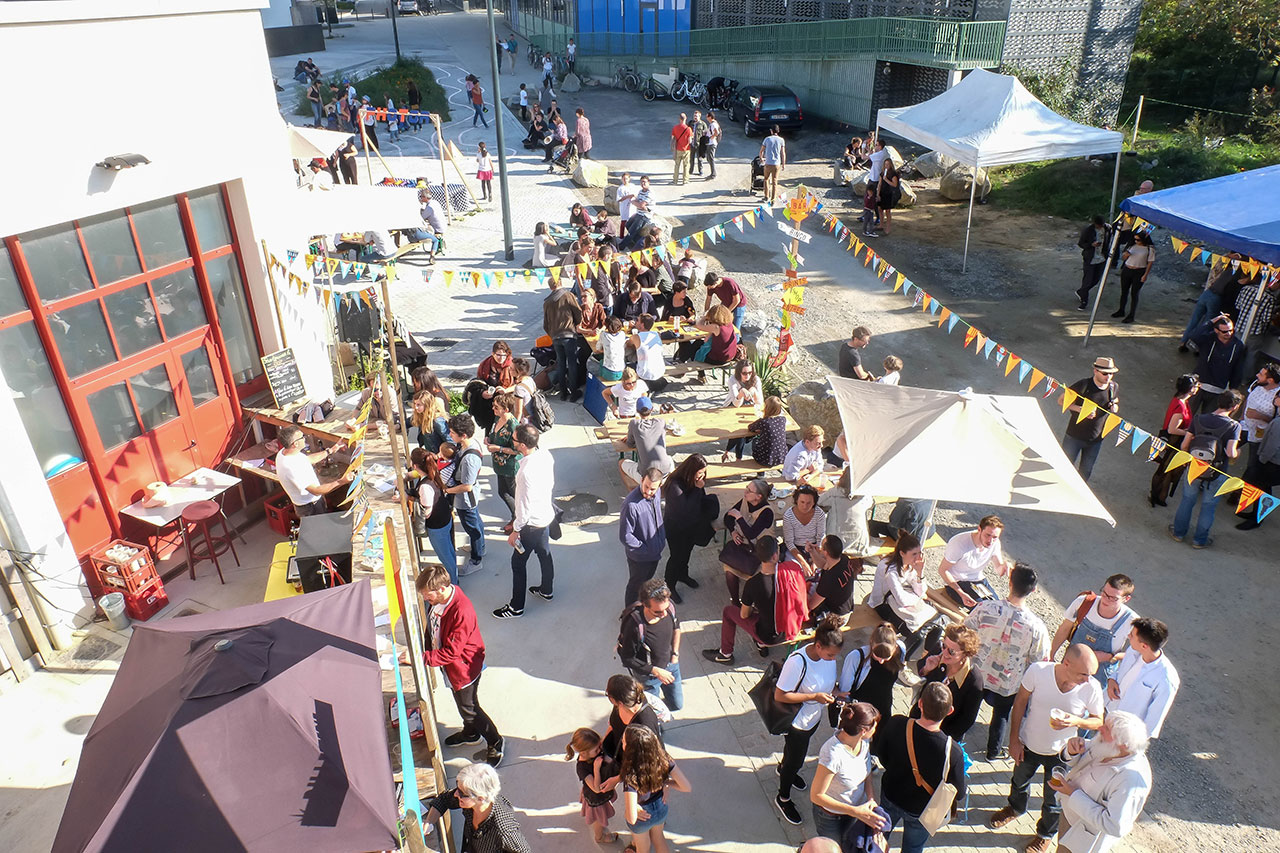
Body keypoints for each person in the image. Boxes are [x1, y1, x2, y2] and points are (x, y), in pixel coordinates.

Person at [988, 646, 1106, 853]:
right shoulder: (1038, 671)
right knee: (1019, 782)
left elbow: (1098, 721)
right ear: (1066, 663)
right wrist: (1014, 739)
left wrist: (1076, 721)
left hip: (1062, 755)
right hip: (1029, 744)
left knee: (1054, 798)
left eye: (1090, 675)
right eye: (1083, 674)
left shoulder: (1091, 688)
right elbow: (1020, 701)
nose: (1088, 680)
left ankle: (1045, 834)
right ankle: (1015, 808)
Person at [415, 567, 506, 766]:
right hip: (452, 667)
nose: (426, 600)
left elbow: (452, 652)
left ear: (441, 589)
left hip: (464, 668)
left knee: (470, 708)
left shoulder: (461, 611)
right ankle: (471, 733)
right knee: (463, 704)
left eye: (428, 596)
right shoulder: (439, 601)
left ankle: (495, 740)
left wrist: (422, 657)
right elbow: (433, 628)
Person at [965, 563, 1051, 759]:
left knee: (970, 705)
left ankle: (958, 736)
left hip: (978, 672)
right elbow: (1040, 660)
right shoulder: (1036, 627)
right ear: (1033, 590)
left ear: (1010, 582)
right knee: (1001, 715)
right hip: (1008, 682)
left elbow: (967, 630)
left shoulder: (985, 608)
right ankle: (993, 752)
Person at [872, 683, 967, 853]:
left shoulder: (896, 723)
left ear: (920, 703)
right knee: (913, 848)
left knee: (878, 838)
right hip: (922, 810)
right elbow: (959, 793)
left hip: (891, 795)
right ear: (950, 711)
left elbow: (881, 754)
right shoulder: (952, 751)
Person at [771, 616, 845, 825]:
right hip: (798, 723)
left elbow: (827, 682)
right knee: (796, 760)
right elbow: (780, 695)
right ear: (818, 645)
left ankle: (784, 768)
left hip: (813, 718)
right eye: (830, 655)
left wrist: (837, 692)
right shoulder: (797, 662)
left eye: (835, 655)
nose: (833, 659)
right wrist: (814, 697)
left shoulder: (827, 658)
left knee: (792, 756)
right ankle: (783, 797)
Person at [1049, 712, 1153, 853]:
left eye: (1107, 729)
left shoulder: (1130, 781)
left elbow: (1115, 826)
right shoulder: (1109, 744)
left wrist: (1073, 794)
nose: (1100, 729)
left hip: (1080, 835)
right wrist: (1071, 751)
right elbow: (1080, 756)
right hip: (1068, 814)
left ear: (1123, 744)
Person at [493, 426, 556, 619]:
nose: (511, 441)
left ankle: (516, 607)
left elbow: (523, 506)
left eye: (513, 439)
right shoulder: (546, 455)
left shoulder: (524, 472)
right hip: (545, 517)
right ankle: (546, 590)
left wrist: (516, 530)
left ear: (521, 445)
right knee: (544, 553)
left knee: (518, 563)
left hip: (531, 525)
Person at [1170, 389, 1242, 547]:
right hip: (1217, 471)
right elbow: (1231, 453)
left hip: (1194, 467)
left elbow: (1184, 445)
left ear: (1218, 402)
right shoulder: (1234, 426)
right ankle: (1199, 540)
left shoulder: (1199, 419)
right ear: (1235, 407)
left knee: (1187, 500)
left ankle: (1178, 533)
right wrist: (1238, 452)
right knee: (1209, 506)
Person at [809, 701, 887, 847]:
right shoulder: (832, 754)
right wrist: (855, 811)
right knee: (832, 847)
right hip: (830, 817)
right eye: (874, 727)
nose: (876, 730)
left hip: (855, 811)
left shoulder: (864, 743)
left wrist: (870, 799)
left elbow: (866, 773)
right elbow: (816, 795)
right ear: (863, 730)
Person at [702, 536, 783, 664]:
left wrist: (752, 609)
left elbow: (744, 615)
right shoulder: (790, 575)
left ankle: (725, 654)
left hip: (769, 636)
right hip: (790, 629)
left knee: (729, 612)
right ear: (775, 556)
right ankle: (760, 645)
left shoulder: (753, 583)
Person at [1051, 574, 1137, 690]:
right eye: (1104, 593)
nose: (1105, 599)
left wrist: (1111, 657)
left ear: (1126, 599)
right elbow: (1064, 629)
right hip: (1072, 667)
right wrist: (1051, 655)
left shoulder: (1131, 621)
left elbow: (1139, 653)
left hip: (1100, 676)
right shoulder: (1084, 603)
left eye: (1113, 598)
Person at [868, 532, 943, 660]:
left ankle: (926, 655)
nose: (918, 557)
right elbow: (902, 599)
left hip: (904, 599)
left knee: (937, 626)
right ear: (902, 553)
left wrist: (920, 572)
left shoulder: (910, 566)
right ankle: (901, 660)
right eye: (914, 554)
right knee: (917, 634)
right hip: (883, 604)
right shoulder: (890, 570)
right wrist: (917, 597)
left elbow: (921, 591)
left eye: (919, 553)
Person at [619, 724, 692, 853]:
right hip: (661, 809)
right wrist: (666, 782)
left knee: (643, 848)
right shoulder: (664, 759)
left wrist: (630, 810)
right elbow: (686, 787)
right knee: (659, 839)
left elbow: (631, 818)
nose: (622, 743)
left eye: (624, 741)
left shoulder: (631, 775)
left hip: (642, 817)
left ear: (630, 750)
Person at [423, 763, 527, 849]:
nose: (455, 794)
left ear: (480, 798)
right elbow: (443, 799)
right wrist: (429, 822)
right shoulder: (468, 800)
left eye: (461, 793)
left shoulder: (504, 830)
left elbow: (523, 850)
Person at [1106, 617, 1179, 740]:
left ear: (1144, 646)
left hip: (1124, 732)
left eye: (1132, 635)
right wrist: (1112, 679)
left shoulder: (1166, 678)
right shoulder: (1133, 650)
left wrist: (1134, 743)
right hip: (1108, 710)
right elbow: (1121, 670)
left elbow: (1155, 717)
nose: (1128, 636)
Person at [619, 578, 683, 714]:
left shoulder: (669, 608)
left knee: (677, 705)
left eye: (665, 608)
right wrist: (656, 671)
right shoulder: (635, 626)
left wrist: (675, 655)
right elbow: (627, 658)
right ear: (644, 605)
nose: (664, 614)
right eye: (658, 612)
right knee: (653, 712)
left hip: (671, 666)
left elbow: (676, 628)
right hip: (648, 678)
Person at [911, 625, 983, 742]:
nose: (945, 652)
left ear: (965, 654)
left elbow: (966, 720)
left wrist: (938, 737)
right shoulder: (938, 651)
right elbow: (921, 669)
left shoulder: (974, 681)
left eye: (951, 651)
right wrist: (927, 669)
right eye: (944, 646)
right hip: (917, 719)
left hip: (941, 735)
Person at [659, 454, 717, 600]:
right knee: (676, 557)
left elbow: (700, 500)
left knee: (686, 553)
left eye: (704, 472)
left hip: (690, 526)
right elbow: (684, 509)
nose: (702, 475)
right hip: (676, 528)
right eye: (700, 472)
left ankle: (683, 575)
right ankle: (669, 585)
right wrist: (697, 489)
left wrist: (699, 489)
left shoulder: (694, 481)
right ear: (691, 470)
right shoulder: (675, 485)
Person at [1061, 356, 1120, 483]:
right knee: (1063, 467)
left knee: (1086, 472)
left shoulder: (1113, 387)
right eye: (1105, 373)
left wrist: (1114, 406)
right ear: (1095, 371)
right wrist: (1080, 409)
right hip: (1074, 436)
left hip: (1096, 439)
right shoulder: (1084, 385)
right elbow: (1061, 400)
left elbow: (1115, 400)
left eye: (1111, 374)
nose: (1108, 377)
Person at [837, 622, 908, 727]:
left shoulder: (901, 650)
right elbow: (845, 689)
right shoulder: (856, 657)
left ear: (895, 647)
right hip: (862, 710)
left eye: (886, 657)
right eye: (877, 655)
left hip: (884, 706)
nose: (881, 661)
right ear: (871, 643)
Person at [719, 478, 776, 605]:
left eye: (749, 491)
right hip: (744, 545)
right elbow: (727, 517)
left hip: (762, 550)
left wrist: (739, 517)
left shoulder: (766, 512)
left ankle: (751, 604)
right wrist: (733, 531)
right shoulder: (745, 500)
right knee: (729, 571)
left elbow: (751, 534)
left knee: (757, 579)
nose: (745, 492)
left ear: (758, 497)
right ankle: (735, 602)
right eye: (747, 488)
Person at [274, 426, 352, 516]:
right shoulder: (292, 468)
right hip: (310, 508)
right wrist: (342, 481)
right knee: (319, 525)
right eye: (302, 437)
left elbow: (307, 459)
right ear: (295, 444)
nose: (304, 438)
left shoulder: (284, 453)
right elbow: (316, 490)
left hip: (313, 503)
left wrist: (330, 450)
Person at [444, 414, 487, 573]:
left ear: (463, 435)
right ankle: (480, 547)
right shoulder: (470, 444)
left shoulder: (469, 458)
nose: (450, 435)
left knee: (472, 529)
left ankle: (476, 560)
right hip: (469, 496)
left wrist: (447, 490)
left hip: (466, 499)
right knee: (476, 522)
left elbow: (467, 486)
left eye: (452, 433)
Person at [937, 515, 1009, 610]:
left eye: (995, 537)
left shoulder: (995, 543)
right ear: (979, 529)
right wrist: (961, 593)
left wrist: (1005, 566)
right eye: (987, 535)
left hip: (978, 580)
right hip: (957, 582)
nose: (990, 541)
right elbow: (942, 570)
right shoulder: (959, 544)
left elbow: (999, 569)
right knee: (984, 611)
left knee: (998, 608)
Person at [409, 449, 460, 583]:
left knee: (445, 557)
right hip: (445, 518)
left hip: (437, 526)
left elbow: (427, 511)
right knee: (449, 550)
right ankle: (455, 575)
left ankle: (453, 583)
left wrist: (413, 504)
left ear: (415, 465)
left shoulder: (424, 486)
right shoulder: (433, 473)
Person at [565, 728, 621, 845]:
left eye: (599, 747)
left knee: (600, 816)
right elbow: (596, 789)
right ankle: (599, 837)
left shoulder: (593, 754)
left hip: (602, 794)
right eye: (596, 750)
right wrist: (596, 768)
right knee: (598, 820)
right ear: (584, 753)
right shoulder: (582, 768)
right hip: (596, 799)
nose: (600, 750)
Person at [1149, 374, 1199, 506]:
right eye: (1196, 386)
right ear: (1191, 388)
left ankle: (1160, 496)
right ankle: (1155, 495)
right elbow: (1172, 429)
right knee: (1165, 469)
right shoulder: (1180, 407)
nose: (1198, 387)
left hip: (1174, 440)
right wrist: (1188, 433)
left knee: (1167, 470)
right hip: (1173, 442)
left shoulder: (1180, 400)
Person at [620, 468, 666, 608]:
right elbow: (625, 536)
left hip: (654, 553)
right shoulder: (631, 505)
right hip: (640, 558)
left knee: (646, 583)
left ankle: (642, 605)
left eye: (652, 489)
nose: (648, 492)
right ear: (641, 480)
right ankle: (629, 613)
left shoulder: (657, 493)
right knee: (635, 586)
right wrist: (645, 549)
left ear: (659, 486)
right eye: (646, 486)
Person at [1186, 313, 1247, 412]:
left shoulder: (1238, 345)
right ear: (1216, 330)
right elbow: (1193, 336)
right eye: (1224, 331)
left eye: (1231, 330)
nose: (1229, 333)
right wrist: (1212, 321)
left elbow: (1237, 369)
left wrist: (1233, 389)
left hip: (1217, 390)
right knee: (1187, 414)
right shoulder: (1208, 339)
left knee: (1208, 418)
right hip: (1198, 386)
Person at [602, 674, 663, 760]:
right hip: (620, 754)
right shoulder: (620, 705)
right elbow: (613, 725)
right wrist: (604, 740)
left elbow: (650, 754)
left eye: (608, 694)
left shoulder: (646, 722)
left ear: (619, 702)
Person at [543, 274, 583, 403]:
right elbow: (578, 312)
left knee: (560, 364)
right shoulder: (567, 295)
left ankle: (563, 393)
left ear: (550, 287)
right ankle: (573, 392)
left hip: (556, 337)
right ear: (560, 282)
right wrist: (576, 324)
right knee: (572, 363)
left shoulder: (547, 302)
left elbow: (545, 324)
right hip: (568, 334)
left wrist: (552, 334)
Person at [484, 393, 520, 533]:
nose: (493, 409)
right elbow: (493, 434)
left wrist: (498, 448)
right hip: (499, 465)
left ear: (506, 409)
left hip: (509, 466)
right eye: (493, 406)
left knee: (513, 494)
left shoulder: (513, 426)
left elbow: (517, 450)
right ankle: (516, 515)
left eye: (496, 407)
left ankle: (518, 518)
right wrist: (489, 439)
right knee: (502, 492)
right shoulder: (498, 419)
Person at [622, 397, 674, 485]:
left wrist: (636, 438)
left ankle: (633, 490)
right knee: (669, 458)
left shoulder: (634, 424)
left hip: (646, 475)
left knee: (621, 462)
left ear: (637, 410)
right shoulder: (661, 422)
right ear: (652, 409)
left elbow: (630, 444)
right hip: (665, 472)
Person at [806, 534, 857, 618]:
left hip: (836, 617)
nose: (819, 547)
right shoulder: (843, 559)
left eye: (821, 546)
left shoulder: (829, 579)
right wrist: (812, 551)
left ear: (826, 552)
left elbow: (811, 605)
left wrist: (801, 591)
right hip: (846, 608)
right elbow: (823, 565)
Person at [721, 360, 763, 461]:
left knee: (741, 432)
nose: (747, 375)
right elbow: (736, 404)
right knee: (741, 433)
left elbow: (760, 402)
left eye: (750, 372)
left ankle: (728, 452)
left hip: (749, 407)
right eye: (744, 373)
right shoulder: (733, 380)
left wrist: (754, 391)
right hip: (733, 405)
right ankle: (738, 458)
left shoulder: (756, 379)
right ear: (739, 372)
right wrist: (741, 393)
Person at [469, 341, 516, 431]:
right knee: (490, 429)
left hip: (507, 403)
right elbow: (479, 383)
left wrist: (506, 390)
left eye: (504, 355)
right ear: (493, 354)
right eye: (498, 355)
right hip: (490, 405)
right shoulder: (484, 365)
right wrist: (483, 393)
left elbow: (520, 384)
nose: (501, 358)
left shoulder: (512, 365)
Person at [1241, 364, 1280, 468]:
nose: (1257, 375)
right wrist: (1241, 417)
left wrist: (1259, 416)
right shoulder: (1256, 384)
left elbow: (1276, 422)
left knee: (1252, 465)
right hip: (1244, 426)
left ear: (1270, 380)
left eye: (1261, 374)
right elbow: (1247, 399)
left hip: (1259, 436)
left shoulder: (1278, 395)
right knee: (1225, 448)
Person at [1112, 231, 1154, 323]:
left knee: (1134, 293)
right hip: (1127, 269)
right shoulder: (1131, 246)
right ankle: (1121, 310)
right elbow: (1123, 258)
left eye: (1138, 240)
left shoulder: (1149, 249)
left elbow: (1150, 263)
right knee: (1124, 291)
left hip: (1139, 271)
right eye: (1135, 239)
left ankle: (1131, 315)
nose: (1136, 241)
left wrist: (1145, 275)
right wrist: (1125, 255)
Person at [782, 484, 826, 568]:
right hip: (795, 549)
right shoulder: (788, 516)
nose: (805, 506)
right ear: (796, 500)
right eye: (802, 502)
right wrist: (803, 563)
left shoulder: (819, 514)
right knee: (794, 570)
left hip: (815, 547)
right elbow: (789, 542)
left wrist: (816, 560)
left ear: (814, 502)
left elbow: (820, 537)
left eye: (809, 503)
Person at [630, 314, 669, 396]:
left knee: (629, 365)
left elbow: (628, 344)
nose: (636, 322)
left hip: (645, 376)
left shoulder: (636, 337)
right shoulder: (656, 334)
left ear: (642, 325)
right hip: (659, 373)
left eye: (638, 321)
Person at [1076, 215, 1110, 309]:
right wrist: (1091, 245)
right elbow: (1081, 243)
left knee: (1096, 280)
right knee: (1087, 280)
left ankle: (1082, 291)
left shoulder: (1107, 229)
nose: (1100, 227)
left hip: (1101, 258)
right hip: (1090, 258)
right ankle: (1084, 300)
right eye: (1098, 225)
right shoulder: (1088, 230)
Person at [759, 125, 786, 204]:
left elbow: (761, 151)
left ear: (771, 131)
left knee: (766, 179)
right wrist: (783, 164)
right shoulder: (781, 140)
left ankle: (766, 196)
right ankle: (773, 200)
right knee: (774, 182)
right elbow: (783, 153)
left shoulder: (767, 139)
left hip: (768, 163)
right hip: (777, 164)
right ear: (778, 131)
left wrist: (761, 159)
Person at [877, 160, 901, 236]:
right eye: (885, 164)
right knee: (880, 209)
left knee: (887, 211)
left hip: (889, 194)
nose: (886, 166)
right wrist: (878, 194)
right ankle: (881, 225)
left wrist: (886, 180)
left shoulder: (893, 174)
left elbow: (894, 184)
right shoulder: (882, 173)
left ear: (891, 165)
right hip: (882, 193)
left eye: (888, 164)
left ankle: (888, 228)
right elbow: (879, 184)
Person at [671, 112, 693, 186]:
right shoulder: (688, 129)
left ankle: (675, 180)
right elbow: (690, 141)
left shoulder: (675, 128)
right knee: (686, 165)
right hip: (686, 149)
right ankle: (685, 181)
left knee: (677, 165)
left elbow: (672, 138)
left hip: (678, 149)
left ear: (679, 119)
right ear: (686, 118)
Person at [690, 110, 709, 175]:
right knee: (691, 158)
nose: (695, 117)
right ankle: (690, 170)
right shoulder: (691, 123)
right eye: (694, 116)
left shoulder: (703, 124)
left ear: (699, 116)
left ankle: (700, 170)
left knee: (700, 158)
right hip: (692, 144)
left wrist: (704, 145)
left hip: (699, 144)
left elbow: (706, 135)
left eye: (696, 116)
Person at [705, 110, 721, 179]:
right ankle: (713, 173)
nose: (706, 118)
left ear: (710, 117)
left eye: (707, 117)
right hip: (711, 143)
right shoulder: (714, 123)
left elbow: (716, 132)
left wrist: (711, 137)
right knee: (709, 158)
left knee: (710, 159)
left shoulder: (713, 124)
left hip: (711, 143)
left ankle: (713, 174)